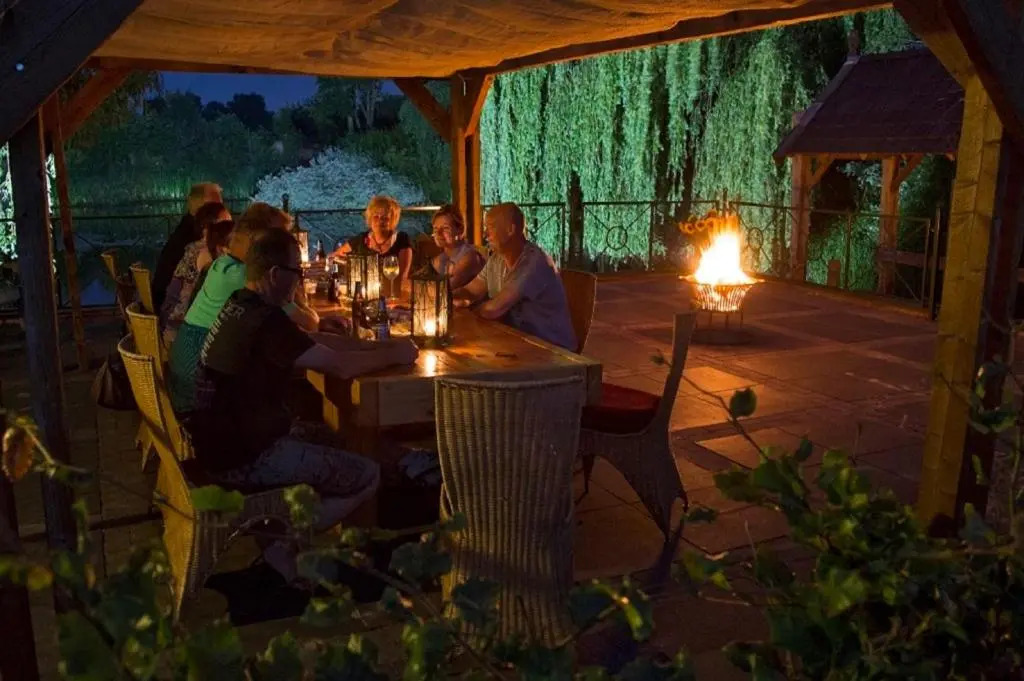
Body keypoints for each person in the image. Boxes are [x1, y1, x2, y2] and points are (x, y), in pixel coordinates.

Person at [188, 228, 419, 581]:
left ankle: (287, 536)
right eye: (296, 271)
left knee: (346, 440)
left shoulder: (242, 304)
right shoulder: (266, 320)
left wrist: (378, 347)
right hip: (244, 456)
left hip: (220, 441)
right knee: (366, 474)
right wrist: (397, 354)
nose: (299, 279)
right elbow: (338, 366)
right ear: (274, 274)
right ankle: (282, 540)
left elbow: (312, 341)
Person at [167, 202, 319, 414]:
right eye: (278, 238)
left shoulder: (223, 265)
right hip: (198, 392)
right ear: (259, 240)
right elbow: (309, 323)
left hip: (187, 370)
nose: (284, 245)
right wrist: (293, 279)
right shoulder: (247, 279)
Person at [456, 203, 577, 351]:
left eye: (490, 227)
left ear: (510, 229)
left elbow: (494, 309)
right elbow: (471, 291)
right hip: (519, 345)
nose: (485, 235)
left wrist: (471, 311)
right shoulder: (497, 259)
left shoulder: (533, 262)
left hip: (552, 352)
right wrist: (444, 297)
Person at [158, 201, 233, 347]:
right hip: (182, 333)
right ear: (209, 227)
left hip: (170, 321)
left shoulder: (193, 247)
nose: (232, 230)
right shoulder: (209, 254)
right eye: (226, 224)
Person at [152, 182, 222, 311]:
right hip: (172, 308)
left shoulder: (186, 227)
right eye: (217, 206)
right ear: (204, 207)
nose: (222, 209)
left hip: (163, 301)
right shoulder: (197, 238)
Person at [330, 195, 413, 291]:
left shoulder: (401, 239)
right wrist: (346, 261)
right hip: (365, 292)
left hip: (394, 292)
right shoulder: (361, 239)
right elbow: (334, 256)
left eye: (385, 218)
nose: (380, 221)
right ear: (370, 218)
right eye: (376, 217)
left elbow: (402, 277)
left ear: (392, 220)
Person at [429, 204, 486, 291]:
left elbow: (445, 288)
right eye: (435, 229)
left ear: (460, 229)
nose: (438, 233)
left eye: (445, 228)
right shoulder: (439, 259)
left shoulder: (471, 257)